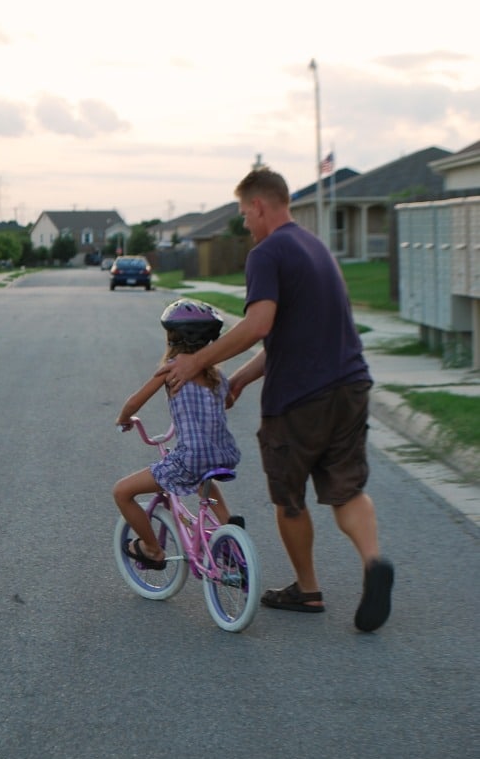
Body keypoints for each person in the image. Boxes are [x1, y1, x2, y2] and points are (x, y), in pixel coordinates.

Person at [158, 167, 394, 632]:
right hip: (351, 385)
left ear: (260, 206)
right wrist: (242, 378)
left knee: (289, 497)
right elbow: (293, 332)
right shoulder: (316, 248)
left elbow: (259, 324)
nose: (245, 223)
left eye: (245, 213)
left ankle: (307, 591)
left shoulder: (266, 253)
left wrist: (194, 360)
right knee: (346, 488)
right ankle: (373, 562)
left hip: (300, 399)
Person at [114, 299, 242, 570]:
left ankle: (151, 548)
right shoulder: (217, 376)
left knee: (122, 492)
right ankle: (231, 538)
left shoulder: (172, 369)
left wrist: (125, 418)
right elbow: (227, 401)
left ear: (171, 337)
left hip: (191, 458)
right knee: (206, 484)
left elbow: (134, 403)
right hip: (224, 455)